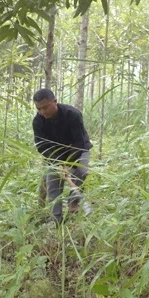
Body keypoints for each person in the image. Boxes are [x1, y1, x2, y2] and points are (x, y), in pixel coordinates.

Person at [32, 88, 92, 223]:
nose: (42, 112)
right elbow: (41, 146)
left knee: (81, 171)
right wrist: (58, 162)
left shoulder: (73, 114)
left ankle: (73, 202)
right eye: (39, 109)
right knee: (52, 183)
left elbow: (79, 142)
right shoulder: (38, 121)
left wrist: (69, 163)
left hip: (78, 149)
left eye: (45, 107)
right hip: (54, 155)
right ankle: (56, 220)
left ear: (55, 102)